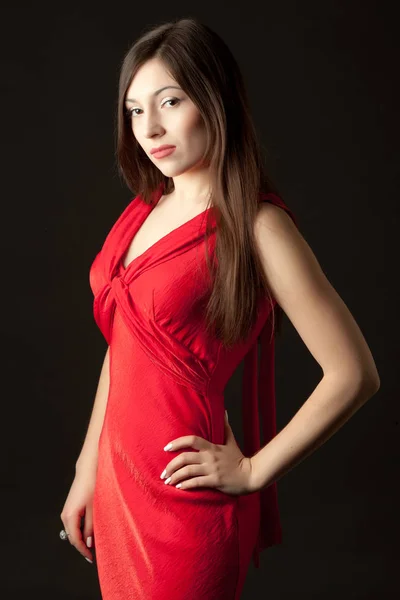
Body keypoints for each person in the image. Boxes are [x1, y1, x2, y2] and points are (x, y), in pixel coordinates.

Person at [59, 17, 380, 600]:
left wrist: (254, 470)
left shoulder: (259, 226)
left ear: (215, 100)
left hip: (185, 503)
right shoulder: (143, 209)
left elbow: (355, 373)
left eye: (170, 101)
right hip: (117, 487)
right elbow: (124, 348)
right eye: (134, 110)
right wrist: (87, 469)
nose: (149, 127)